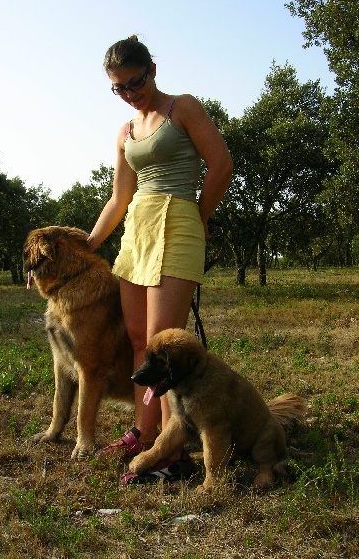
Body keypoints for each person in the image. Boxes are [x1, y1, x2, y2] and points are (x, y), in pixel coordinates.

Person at [86, 35, 233, 484]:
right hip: (137, 229)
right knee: (138, 340)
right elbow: (119, 198)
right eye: (119, 88)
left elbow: (221, 164)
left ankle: (174, 453)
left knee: (161, 346)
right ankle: (143, 432)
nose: (130, 93)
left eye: (136, 82)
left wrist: (198, 216)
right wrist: (88, 244)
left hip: (178, 222)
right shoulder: (125, 131)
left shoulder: (181, 108)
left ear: (153, 70)